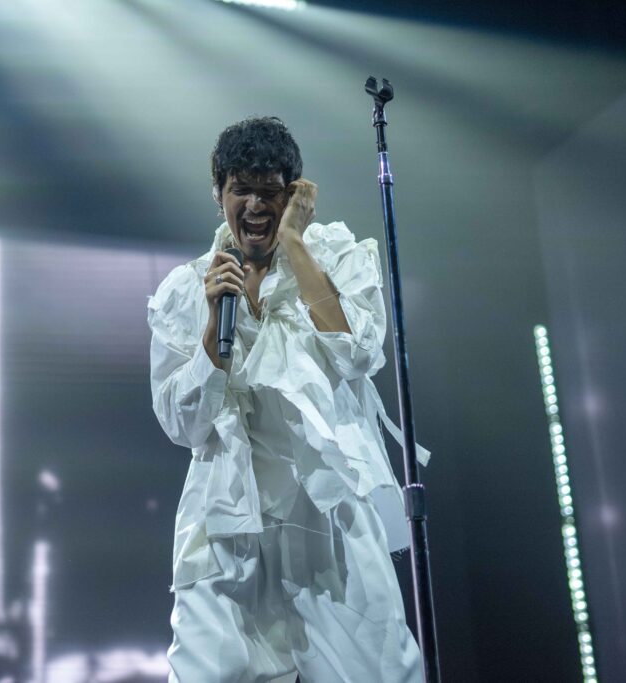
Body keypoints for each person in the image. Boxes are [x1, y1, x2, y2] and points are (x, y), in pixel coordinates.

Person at [148, 116, 423, 682]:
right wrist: (210, 338)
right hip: (227, 522)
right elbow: (182, 423)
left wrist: (296, 244)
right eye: (239, 189)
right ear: (218, 194)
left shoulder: (336, 256)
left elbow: (359, 352)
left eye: (268, 190)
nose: (253, 205)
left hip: (327, 519)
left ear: (294, 193)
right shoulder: (190, 286)